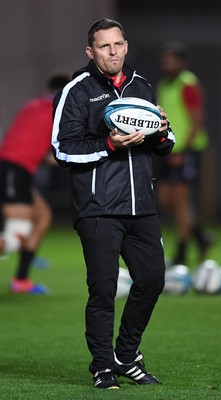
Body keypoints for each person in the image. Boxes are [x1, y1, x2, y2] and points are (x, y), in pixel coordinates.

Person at [51, 18, 175, 390]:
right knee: (103, 290)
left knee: (152, 281)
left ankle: (126, 355)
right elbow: (62, 149)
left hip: (141, 206)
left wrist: (162, 132)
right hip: (98, 208)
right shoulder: (76, 89)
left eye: (118, 44)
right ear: (91, 51)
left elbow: (164, 144)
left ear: (126, 45)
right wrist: (108, 145)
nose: (114, 52)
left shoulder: (141, 87)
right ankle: (103, 367)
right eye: (105, 47)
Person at [0, 72, 70, 294]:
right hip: (13, 170)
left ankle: (21, 280)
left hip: (12, 168)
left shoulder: (32, 106)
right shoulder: (58, 110)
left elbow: (27, 143)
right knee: (14, 236)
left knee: (42, 217)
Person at [156, 41, 213, 266]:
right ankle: (200, 236)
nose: (167, 64)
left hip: (186, 151)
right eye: (165, 60)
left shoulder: (187, 84)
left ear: (182, 62)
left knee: (180, 201)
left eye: (171, 60)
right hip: (168, 149)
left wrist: (185, 150)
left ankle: (181, 252)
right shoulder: (164, 84)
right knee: (165, 200)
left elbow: (197, 121)